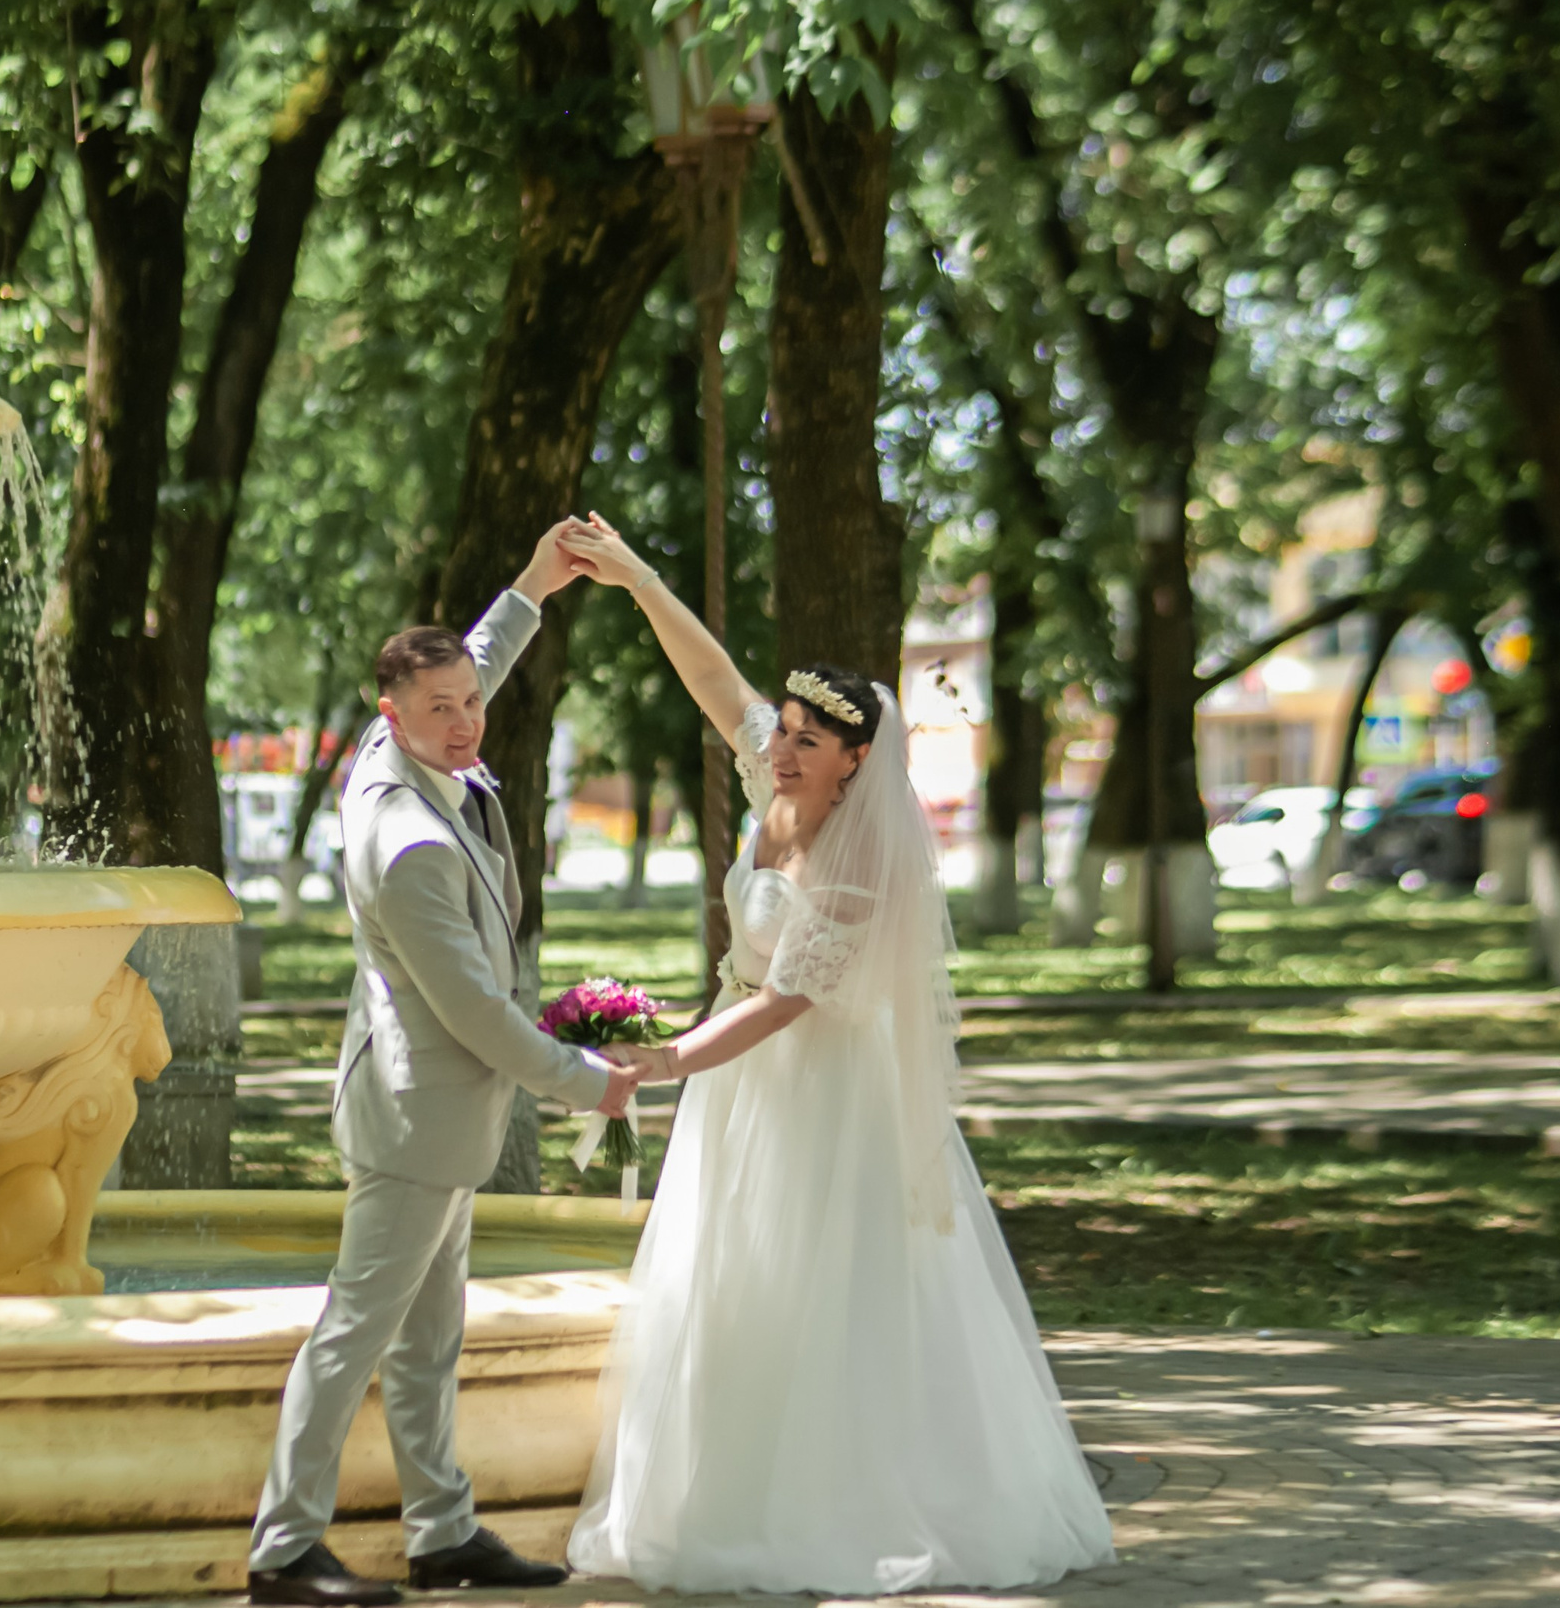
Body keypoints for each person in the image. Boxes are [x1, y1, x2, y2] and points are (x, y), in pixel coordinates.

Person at [557, 513, 1116, 1597]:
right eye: (785, 732)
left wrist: (666, 1060)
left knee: (817, 1286)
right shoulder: (773, 779)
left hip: (815, 1091)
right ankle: (712, 1482)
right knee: (728, 1279)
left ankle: (836, 1503)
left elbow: (783, 1005)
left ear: (857, 759)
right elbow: (714, 679)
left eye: (809, 741)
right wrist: (633, 576)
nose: (781, 747)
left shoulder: (862, 859)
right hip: (741, 1081)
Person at [248, 521, 643, 1608]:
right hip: (420, 1113)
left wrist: (530, 585)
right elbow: (473, 1009)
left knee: (428, 1337)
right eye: (442, 709)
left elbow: (473, 654)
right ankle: (282, 1549)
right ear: (390, 716)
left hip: (439, 1113)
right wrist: (589, 1081)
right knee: (354, 1333)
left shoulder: (418, 736)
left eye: (471, 701)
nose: (467, 720)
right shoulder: (406, 841)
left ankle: (443, 1531)